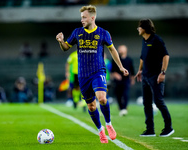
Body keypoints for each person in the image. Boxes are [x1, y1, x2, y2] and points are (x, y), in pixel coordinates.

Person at [56, 5, 129, 143]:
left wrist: (120, 67)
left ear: (92, 18)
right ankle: (100, 130)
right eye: (81, 17)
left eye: (84, 17)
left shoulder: (103, 33)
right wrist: (61, 41)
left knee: (102, 98)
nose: (82, 20)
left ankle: (108, 124)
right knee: (91, 106)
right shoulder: (77, 32)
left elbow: (113, 50)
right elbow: (66, 47)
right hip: (83, 75)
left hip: (98, 71)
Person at [135, 19, 174, 137]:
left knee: (158, 102)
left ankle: (169, 128)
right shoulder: (144, 40)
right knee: (147, 103)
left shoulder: (157, 40)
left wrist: (163, 73)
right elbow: (142, 57)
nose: (138, 28)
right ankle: (150, 129)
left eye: (139, 27)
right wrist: (140, 70)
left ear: (145, 28)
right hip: (145, 76)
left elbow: (166, 56)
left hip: (155, 76)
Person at [111, 45, 135, 116]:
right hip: (118, 81)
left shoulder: (129, 59)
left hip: (126, 80)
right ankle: (121, 107)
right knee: (118, 94)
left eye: (121, 49)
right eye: (119, 49)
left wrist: (132, 79)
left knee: (125, 94)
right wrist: (116, 75)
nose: (120, 50)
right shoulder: (115, 59)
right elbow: (112, 70)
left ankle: (124, 108)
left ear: (125, 50)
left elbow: (132, 70)